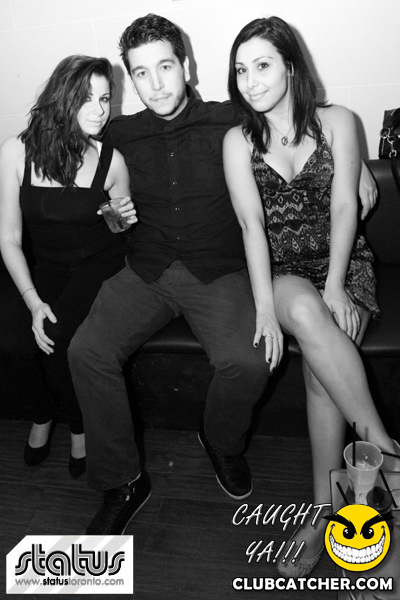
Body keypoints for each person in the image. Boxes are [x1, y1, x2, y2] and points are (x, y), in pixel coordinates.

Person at [68, 14, 378, 536]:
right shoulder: (118, 133)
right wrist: (109, 213)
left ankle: (219, 440)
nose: (156, 83)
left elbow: (297, 115)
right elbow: (67, 151)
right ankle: (123, 482)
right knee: (86, 351)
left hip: (217, 269)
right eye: (141, 73)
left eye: (165, 67)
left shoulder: (230, 119)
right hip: (146, 268)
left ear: (187, 66)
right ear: (131, 79)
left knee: (249, 361)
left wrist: (361, 165)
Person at [223, 16, 400, 578]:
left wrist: (336, 284)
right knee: (302, 309)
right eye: (241, 70)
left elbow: (346, 206)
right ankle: (386, 452)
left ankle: (325, 513)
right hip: (280, 277)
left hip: (344, 268)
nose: (250, 81)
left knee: (323, 375)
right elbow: (252, 226)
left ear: (291, 67)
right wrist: (264, 310)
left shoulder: (339, 121)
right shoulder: (238, 140)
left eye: (262, 65)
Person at [0, 55, 136, 478]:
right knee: (12, 341)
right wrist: (32, 300)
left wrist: (123, 216)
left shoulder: (111, 160)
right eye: (87, 98)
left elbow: (120, 232)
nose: (99, 110)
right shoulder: (16, 151)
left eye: (105, 99)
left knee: (58, 338)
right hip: (45, 263)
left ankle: (79, 425)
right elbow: (9, 237)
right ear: (62, 98)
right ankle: (43, 413)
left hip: (97, 263)